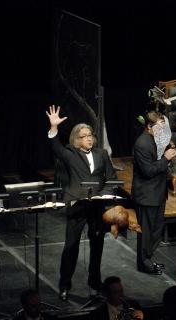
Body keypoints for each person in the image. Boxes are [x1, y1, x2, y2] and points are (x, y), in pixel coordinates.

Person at [46, 105, 118, 301]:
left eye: (90, 135)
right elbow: (56, 148)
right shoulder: (71, 153)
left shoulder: (102, 154)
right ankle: (64, 285)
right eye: (84, 135)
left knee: (97, 249)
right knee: (71, 247)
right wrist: (54, 128)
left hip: (97, 207)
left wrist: (104, 194)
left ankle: (95, 284)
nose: (89, 138)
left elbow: (111, 178)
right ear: (76, 140)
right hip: (77, 206)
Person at [132, 111, 176, 275]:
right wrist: (165, 159)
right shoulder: (142, 144)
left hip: (157, 192)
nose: (163, 131)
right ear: (149, 127)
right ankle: (144, 263)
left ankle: (148, 258)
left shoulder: (156, 139)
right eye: (160, 128)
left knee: (156, 231)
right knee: (146, 233)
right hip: (147, 195)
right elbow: (148, 171)